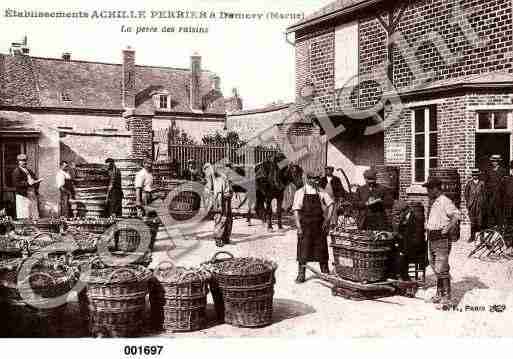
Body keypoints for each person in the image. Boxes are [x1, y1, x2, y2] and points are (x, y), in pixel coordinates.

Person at [423, 176, 461, 308]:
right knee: (434, 266)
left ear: (435, 189)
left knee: (442, 267)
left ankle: (447, 298)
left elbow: (457, 215)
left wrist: (448, 228)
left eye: (429, 189)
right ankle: (439, 294)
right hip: (432, 237)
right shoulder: (434, 201)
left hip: (441, 238)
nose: (427, 192)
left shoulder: (445, 201)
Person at [293, 171, 334, 283]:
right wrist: (299, 227)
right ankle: (301, 274)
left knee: (322, 248)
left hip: (319, 224)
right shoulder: (300, 192)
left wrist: (328, 219)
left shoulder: (321, 191)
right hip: (305, 225)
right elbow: (296, 211)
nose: (317, 181)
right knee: (303, 249)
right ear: (308, 179)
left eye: (317, 179)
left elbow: (331, 204)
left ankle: (325, 271)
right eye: (314, 179)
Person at [203, 162, 233, 247]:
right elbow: (209, 188)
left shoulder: (226, 177)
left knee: (229, 218)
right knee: (220, 218)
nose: (228, 169)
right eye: (226, 167)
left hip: (227, 198)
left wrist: (229, 193)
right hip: (219, 199)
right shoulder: (216, 177)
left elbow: (229, 187)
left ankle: (226, 237)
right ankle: (218, 238)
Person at [12, 154, 41, 219]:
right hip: (23, 195)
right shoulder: (16, 171)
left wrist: (36, 182)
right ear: (18, 162)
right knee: (24, 214)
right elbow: (16, 183)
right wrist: (28, 183)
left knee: (33, 213)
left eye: (25, 160)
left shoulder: (29, 170)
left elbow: (34, 179)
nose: (24, 162)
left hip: (31, 194)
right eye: (22, 161)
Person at [484, 154, 507, 228]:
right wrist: (488, 191)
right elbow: (486, 183)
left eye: (496, 161)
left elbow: (505, 183)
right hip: (490, 195)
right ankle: (490, 228)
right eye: (493, 161)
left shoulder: (503, 170)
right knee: (490, 210)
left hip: (500, 195)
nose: (494, 163)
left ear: (498, 162)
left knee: (499, 211)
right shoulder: (488, 171)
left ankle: (500, 227)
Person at [464, 168, 486, 242]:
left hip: (480, 205)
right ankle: (472, 236)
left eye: (476, 175)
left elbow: (484, 194)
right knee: (473, 221)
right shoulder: (469, 183)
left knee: (480, 221)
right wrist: (468, 203)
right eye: (474, 175)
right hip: (472, 205)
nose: (475, 176)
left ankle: (482, 237)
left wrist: (483, 202)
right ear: (472, 175)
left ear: (478, 175)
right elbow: (466, 194)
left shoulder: (482, 183)